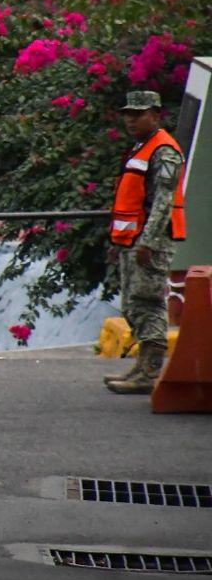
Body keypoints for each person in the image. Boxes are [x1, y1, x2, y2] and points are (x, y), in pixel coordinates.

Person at [104, 90, 187, 394]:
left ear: (155, 115)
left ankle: (150, 372)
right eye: (128, 113)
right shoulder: (143, 147)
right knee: (132, 304)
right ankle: (142, 367)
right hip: (134, 239)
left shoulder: (164, 151)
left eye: (138, 114)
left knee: (148, 303)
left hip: (150, 242)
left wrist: (147, 242)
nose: (131, 119)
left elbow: (163, 202)